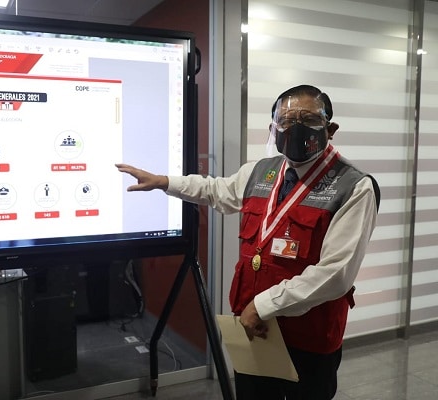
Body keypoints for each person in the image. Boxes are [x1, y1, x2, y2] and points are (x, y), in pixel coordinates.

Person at [116, 84, 381, 400]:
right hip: (255, 329)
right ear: (273, 129)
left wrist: (264, 305)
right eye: (286, 121)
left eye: (309, 119)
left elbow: (336, 274)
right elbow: (216, 190)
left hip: (308, 337)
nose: (295, 128)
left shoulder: (353, 187)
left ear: (330, 129)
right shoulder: (261, 172)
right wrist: (164, 182)